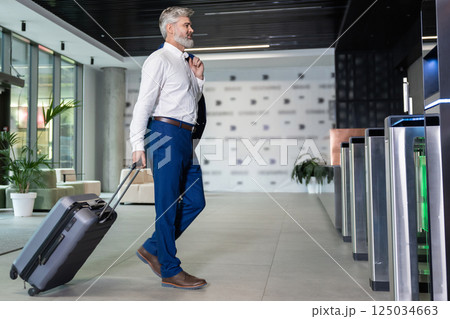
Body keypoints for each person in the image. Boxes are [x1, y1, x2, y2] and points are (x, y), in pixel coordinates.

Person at [129, 6, 207, 290]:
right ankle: (170, 269)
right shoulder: (158, 59)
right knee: (167, 205)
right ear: (170, 28)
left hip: (185, 137)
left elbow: (188, 103)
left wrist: (197, 78)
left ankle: (152, 248)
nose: (191, 29)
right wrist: (137, 144)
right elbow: (144, 103)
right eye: (186, 25)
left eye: (190, 25)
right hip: (164, 134)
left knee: (196, 200)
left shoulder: (185, 62)